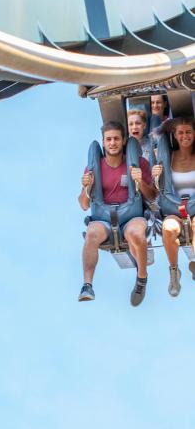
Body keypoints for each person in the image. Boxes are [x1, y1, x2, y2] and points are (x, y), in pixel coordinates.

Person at [79, 121, 157, 306]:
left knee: (135, 233)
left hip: (131, 216)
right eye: (109, 139)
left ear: (123, 141)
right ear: (104, 142)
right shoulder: (94, 167)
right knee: (91, 234)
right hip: (103, 218)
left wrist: (141, 181)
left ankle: (141, 279)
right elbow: (83, 205)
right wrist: (86, 187)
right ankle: (87, 285)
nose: (112, 143)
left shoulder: (138, 163)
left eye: (116, 139)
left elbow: (153, 196)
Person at [152, 118, 195, 297]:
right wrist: (156, 178)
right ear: (175, 135)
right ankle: (174, 271)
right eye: (181, 132)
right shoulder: (168, 158)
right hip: (173, 209)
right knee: (169, 228)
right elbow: (156, 193)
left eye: (188, 132)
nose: (184, 136)